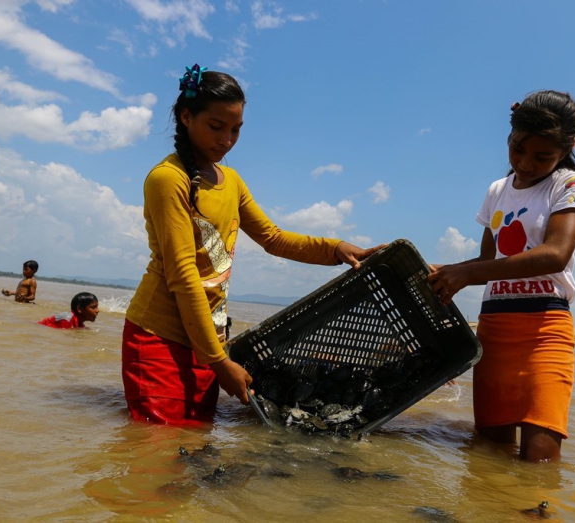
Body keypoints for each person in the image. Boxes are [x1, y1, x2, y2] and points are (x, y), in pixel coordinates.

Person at [122, 63, 384, 426]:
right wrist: (219, 361)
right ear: (186, 117)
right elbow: (183, 275)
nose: (227, 140)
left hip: (208, 339)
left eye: (236, 130)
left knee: (193, 441)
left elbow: (272, 238)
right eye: (217, 127)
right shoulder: (169, 179)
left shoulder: (230, 180)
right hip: (160, 338)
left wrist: (335, 249)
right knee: (156, 446)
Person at [427, 91, 575, 462]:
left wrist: (466, 272)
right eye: (517, 149)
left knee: (540, 460)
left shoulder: (570, 185)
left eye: (542, 156)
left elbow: (555, 254)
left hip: (544, 329)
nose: (525, 163)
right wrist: (440, 272)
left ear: (568, 147)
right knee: (489, 456)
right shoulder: (497, 191)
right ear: (510, 137)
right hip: (493, 329)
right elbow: (487, 261)